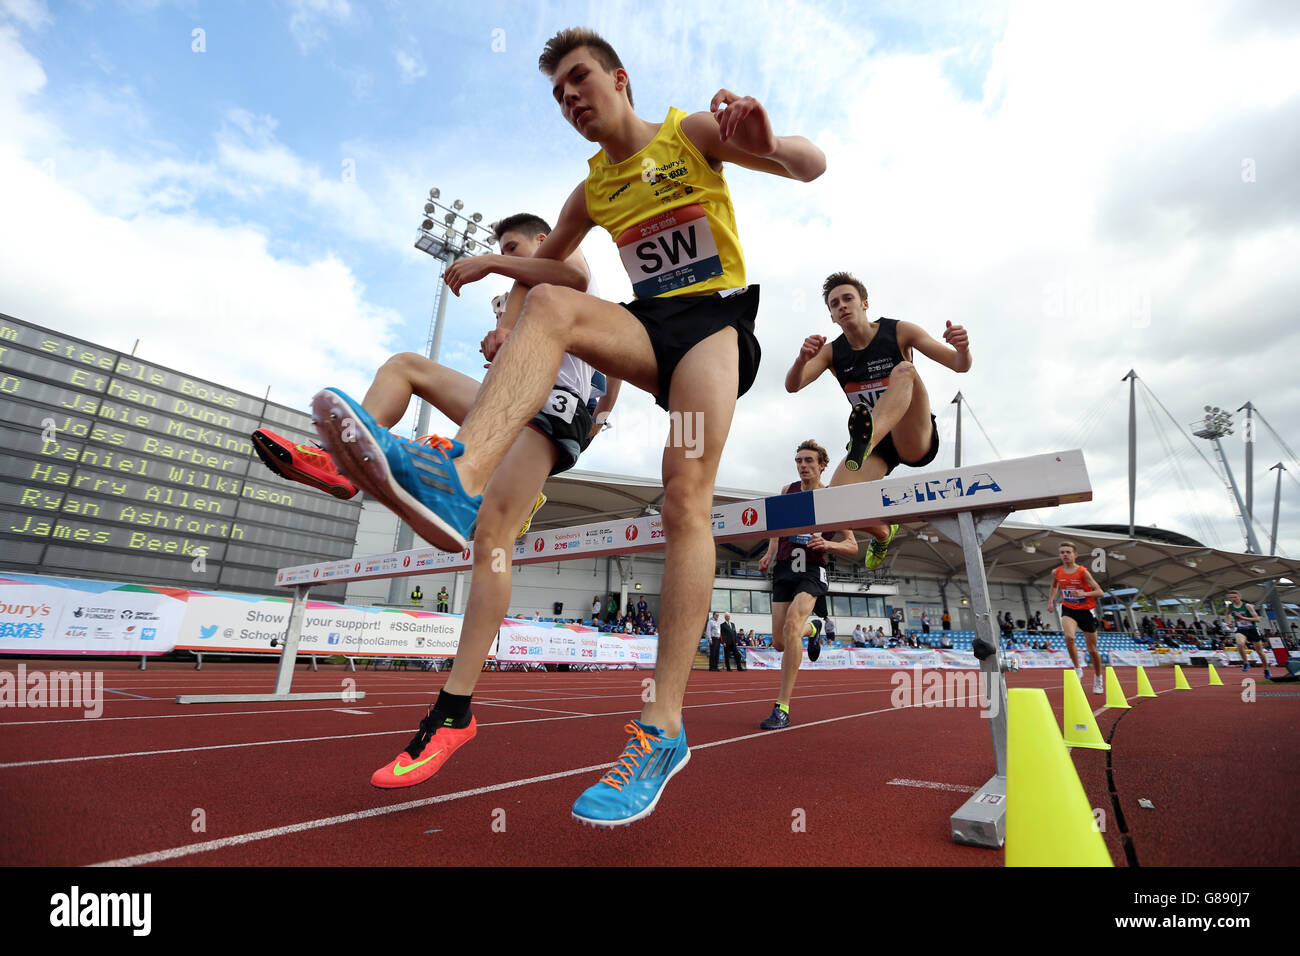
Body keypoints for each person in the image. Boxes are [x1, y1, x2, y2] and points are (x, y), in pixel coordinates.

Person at [320, 28, 824, 825]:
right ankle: (459, 480)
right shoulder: (590, 192)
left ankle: (661, 727)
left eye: (580, 80)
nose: (571, 99)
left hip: (713, 333)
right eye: (557, 95)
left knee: (685, 496)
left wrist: (768, 140)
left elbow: (808, 165)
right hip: (646, 329)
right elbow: (558, 267)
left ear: (619, 79)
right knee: (553, 307)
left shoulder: (689, 133)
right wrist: (496, 269)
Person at [295, 211, 621, 790]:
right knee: (406, 366)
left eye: (516, 245)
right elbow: (609, 365)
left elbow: (567, 277)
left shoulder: (566, 262)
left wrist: (495, 262)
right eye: (504, 250)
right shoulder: (527, 296)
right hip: (508, 403)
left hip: (548, 411)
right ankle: (344, 469)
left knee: (493, 544)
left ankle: (454, 712)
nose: (506, 259)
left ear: (542, 240)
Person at [782, 272, 971, 570]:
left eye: (848, 299)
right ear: (831, 316)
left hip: (912, 433)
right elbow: (793, 385)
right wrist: (801, 359)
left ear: (865, 303)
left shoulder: (899, 331)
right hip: (878, 446)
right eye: (834, 304)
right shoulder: (832, 352)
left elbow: (959, 365)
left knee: (905, 369)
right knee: (833, 505)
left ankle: (866, 439)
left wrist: (962, 348)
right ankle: (884, 532)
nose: (842, 306)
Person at [757, 440, 858, 729]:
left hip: (813, 570)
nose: (803, 465)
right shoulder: (788, 491)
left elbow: (852, 545)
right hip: (786, 568)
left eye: (809, 461)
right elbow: (777, 527)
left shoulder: (831, 498)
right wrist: (769, 553)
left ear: (822, 465)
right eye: (799, 460)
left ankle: (782, 707)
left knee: (791, 626)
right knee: (779, 642)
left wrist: (827, 543)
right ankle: (813, 629)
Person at [1048, 541, 1106, 694]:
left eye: (1068, 552)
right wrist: (1051, 601)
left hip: (1086, 611)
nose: (1065, 555)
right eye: (1062, 552)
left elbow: (1100, 592)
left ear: (1075, 555)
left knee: (1092, 650)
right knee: (1069, 638)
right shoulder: (1057, 572)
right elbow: (1054, 586)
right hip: (1068, 609)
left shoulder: (1083, 572)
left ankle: (1098, 678)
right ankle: (1077, 668)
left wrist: (1084, 593)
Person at [1225, 590, 1271, 678]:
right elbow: (1227, 614)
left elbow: (1257, 619)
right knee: (1239, 643)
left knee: (1260, 652)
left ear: (1240, 597)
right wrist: (1229, 622)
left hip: (1252, 630)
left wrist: (1242, 617)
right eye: (1231, 597)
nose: (1233, 599)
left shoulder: (1247, 606)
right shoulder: (1229, 606)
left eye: (1235, 597)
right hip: (1241, 629)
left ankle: (1266, 669)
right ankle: (1246, 662)